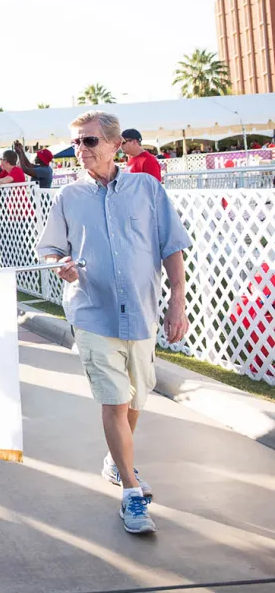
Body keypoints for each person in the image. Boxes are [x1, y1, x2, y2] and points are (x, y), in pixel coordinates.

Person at [37, 111, 191, 535]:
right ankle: (130, 491)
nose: (80, 151)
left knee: (135, 399)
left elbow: (171, 246)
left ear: (114, 143)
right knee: (113, 400)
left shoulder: (147, 188)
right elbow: (50, 249)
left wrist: (178, 300)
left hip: (141, 312)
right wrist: (59, 265)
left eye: (88, 142)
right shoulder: (67, 197)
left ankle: (115, 460)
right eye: (76, 144)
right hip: (91, 311)